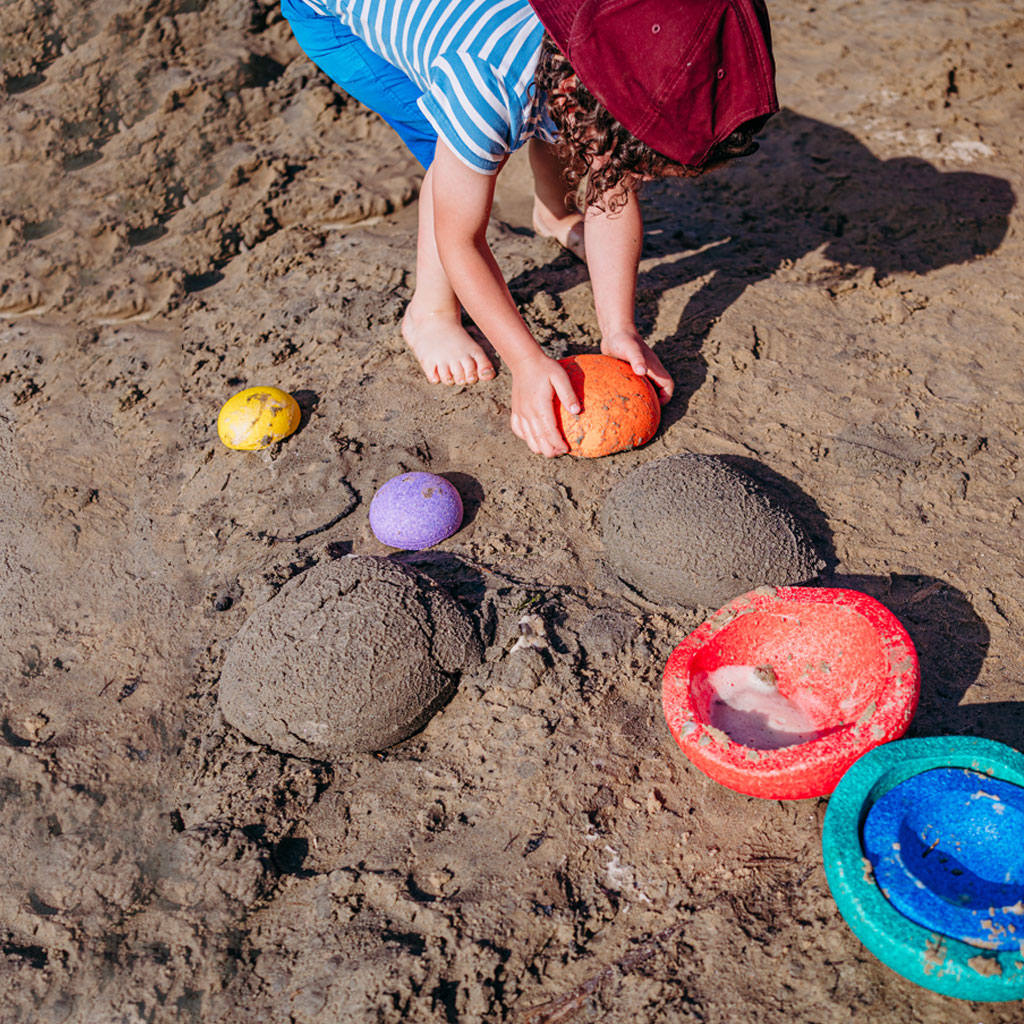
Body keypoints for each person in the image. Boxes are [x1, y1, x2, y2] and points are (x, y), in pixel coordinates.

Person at [281, 0, 778, 456]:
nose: (644, 178)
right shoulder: (484, 89)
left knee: (586, 135)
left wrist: (620, 329)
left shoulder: (596, 45)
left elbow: (611, 189)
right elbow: (462, 240)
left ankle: (553, 213)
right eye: (646, 167)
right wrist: (524, 361)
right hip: (333, 15)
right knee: (443, 153)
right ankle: (429, 314)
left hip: (523, 57)